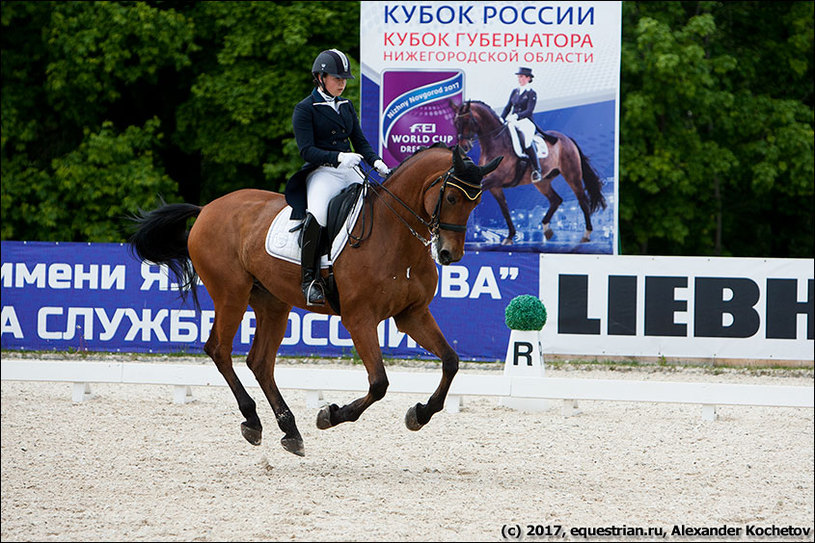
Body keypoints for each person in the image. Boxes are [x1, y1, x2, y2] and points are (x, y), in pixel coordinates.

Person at [286, 49, 390, 306]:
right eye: (336, 78)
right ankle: (309, 279)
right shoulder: (305, 108)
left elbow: (359, 140)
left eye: (344, 79)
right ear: (320, 77)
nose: (342, 83)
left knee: (377, 206)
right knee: (319, 214)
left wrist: (375, 160)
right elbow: (306, 150)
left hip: (350, 170)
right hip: (322, 172)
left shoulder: (346, 106)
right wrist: (338, 157)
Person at [500, 67, 557, 182]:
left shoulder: (531, 93)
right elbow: (507, 107)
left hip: (526, 122)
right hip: (512, 120)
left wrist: (517, 116)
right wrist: (501, 119)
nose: (519, 79)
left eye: (521, 77)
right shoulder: (515, 91)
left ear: (528, 78)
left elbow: (529, 110)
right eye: (519, 77)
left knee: (526, 142)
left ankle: (537, 170)